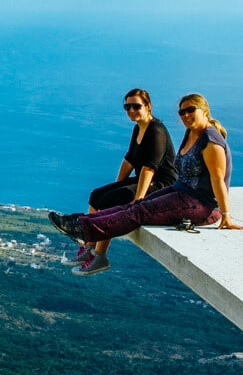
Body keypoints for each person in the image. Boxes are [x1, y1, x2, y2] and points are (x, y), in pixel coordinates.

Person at [49, 94, 242, 271]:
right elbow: (131, 160)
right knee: (136, 205)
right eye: (182, 112)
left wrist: (225, 215)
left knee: (139, 212)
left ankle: (83, 230)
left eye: (191, 110)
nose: (185, 115)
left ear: (205, 111)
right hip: (181, 192)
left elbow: (218, 179)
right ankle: (80, 222)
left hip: (200, 205)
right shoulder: (192, 133)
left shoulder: (210, 141)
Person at [63, 88, 177, 276]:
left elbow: (150, 168)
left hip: (162, 184)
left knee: (111, 200)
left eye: (136, 106)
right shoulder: (138, 127)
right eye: (127, 107)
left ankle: (100, 256)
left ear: (148, 106)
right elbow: (130, 160)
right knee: (97, 195)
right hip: (145, 179)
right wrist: (116, 186)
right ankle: (90, 246)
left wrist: (139, 200)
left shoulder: (156, 130)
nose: (131, 110)